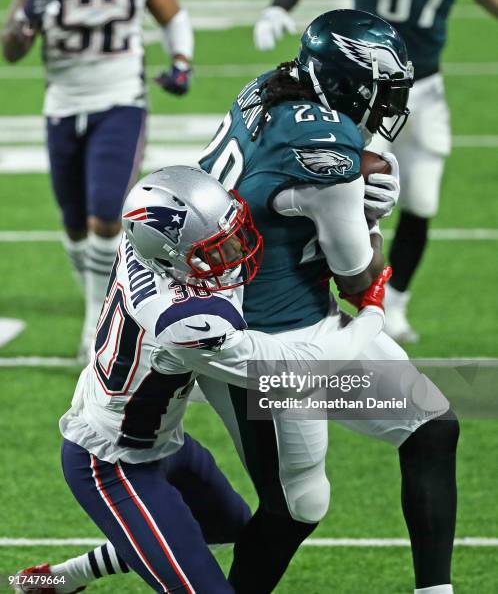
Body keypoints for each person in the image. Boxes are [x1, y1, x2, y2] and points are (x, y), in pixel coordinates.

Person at [19, 11, 460, 594]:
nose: (235, 236)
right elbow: (353, 285)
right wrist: (369, 224)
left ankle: (66, 575)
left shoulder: (180, 241)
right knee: (299, 505)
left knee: (428, 428)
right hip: (266, 346)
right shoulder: (196, 314)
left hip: (266, 330)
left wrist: (343, 203)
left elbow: (258, 212)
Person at [15, 165, 391, 593]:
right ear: (171, 259)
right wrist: (373, 312)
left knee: (224, 526)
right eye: (215, 251)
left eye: (231, 235)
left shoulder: (145, 240)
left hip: (164, 439)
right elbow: (300, 369)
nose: (234, 253)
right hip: (112, 462)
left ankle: (57, 579)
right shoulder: (185, 322)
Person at [254, 0, 498, 342]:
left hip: (424, 90)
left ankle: (394, 303)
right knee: (343, 187)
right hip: (361, 92)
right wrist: (280, 4)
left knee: (422, 200)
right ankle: (321, 295)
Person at [1, 0, 194, 360]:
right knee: (73, 223)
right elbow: (11, 50)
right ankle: (99, 298)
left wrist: (181, 61)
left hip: (121, 101)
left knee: (106, 215)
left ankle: (97, 322)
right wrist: (26, 18)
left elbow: (171, 12)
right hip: (62, 104)